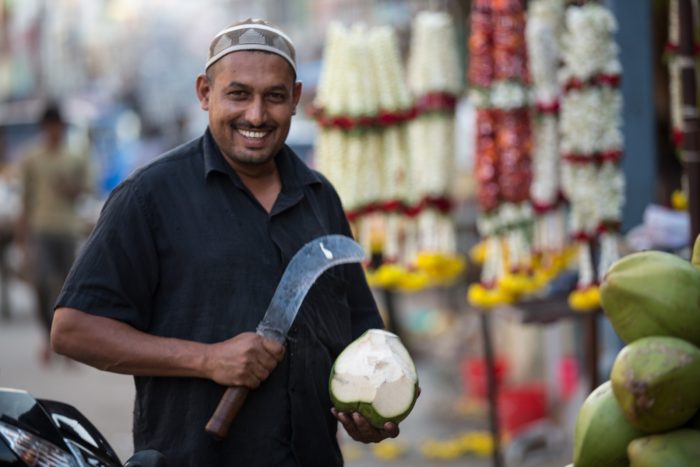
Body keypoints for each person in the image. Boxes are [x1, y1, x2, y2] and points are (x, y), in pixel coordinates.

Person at [51, 18, 401, 466]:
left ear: (295, 99)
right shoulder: (150, 196)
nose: (256, 115)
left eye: (274, 96)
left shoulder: (320, 199)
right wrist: (206, 359)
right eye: (238, 94)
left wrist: (370, 403)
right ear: (204, 93)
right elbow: (73, 329)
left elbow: (359, 335)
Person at [16, 103, 90, 363]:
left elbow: (86, 189)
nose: (54, 132)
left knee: (69, 290)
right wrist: (22, 238)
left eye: (57, 127)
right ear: (44, 128)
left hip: (68, 229)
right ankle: (50, 336)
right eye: (50, 127)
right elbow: (24, 199)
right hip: (40, 229)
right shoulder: (31, 158)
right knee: (41, 284)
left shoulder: (74, 158)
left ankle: (67, 344)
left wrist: (70, 187)